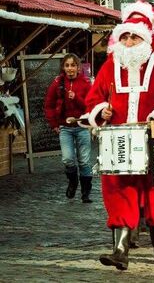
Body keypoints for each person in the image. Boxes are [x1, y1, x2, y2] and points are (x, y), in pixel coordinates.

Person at [86, 3, 154, 270]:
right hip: (119, 143)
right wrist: (99, 110)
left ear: (146, 39)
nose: (129, 41)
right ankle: (120, 251)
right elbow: (93, 98)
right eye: (125, 36)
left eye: (135, 36)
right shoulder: (109, 67)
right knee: (118, 193)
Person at [44, 53, 93, 203]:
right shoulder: (57, 83)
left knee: (84, 161)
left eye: (73, 65)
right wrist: (54, 125)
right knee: (68, 159)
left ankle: (86, 193)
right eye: (67, 65)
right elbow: (48, 105)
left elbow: (91, 105)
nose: (70, 68)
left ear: (78, 67)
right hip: (64, 128)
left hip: (82, 126)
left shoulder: (85, 83)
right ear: (63, 68)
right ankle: (73, 182)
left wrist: (76, 98)